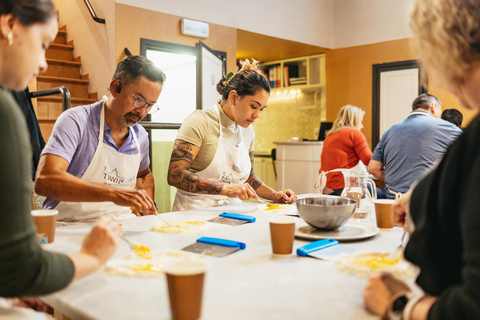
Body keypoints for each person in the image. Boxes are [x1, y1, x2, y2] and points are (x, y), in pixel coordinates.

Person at [0, 0, 118, 318]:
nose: (42, 64)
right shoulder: (6, 111)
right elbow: (22, 268)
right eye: (42, 45)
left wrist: (9, 292)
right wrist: (91, 257)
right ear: (9, 26)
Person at [363, 0, 480, 319]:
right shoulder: (460, 131)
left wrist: (402, 305)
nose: (442, 79)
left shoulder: (390, 129)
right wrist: (421, 196)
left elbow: (472, 306)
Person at [35, 55, 165, 221]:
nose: (142, 112)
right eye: (138, 99)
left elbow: (143, 175)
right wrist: (113, 193)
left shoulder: (140, 137)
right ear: (114, 87)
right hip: (70, 227)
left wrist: (144, 206)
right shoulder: (76, 122)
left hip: (122, 224)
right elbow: (45, 181)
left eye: (150, 105)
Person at [167, 59, 297, 211]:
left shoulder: (247, 130)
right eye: (254, 106)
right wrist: (226, 190)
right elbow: (175, 174)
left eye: (261, 109)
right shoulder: (199, 122)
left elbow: (248, 176)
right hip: (193, 214)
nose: (257, 115)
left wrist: (274, 195)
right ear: (234, 97)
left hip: (233, 212)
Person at [368, 93, 462, 199]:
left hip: (393, 203)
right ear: (433, 107)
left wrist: (395, 179)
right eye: (440, 114)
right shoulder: (448, 128)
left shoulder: (390, 131)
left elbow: (373, 168)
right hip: (426, 204)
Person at [317, 104, 375, 196]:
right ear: (354, 120)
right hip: (347, 188)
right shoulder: (354, 134)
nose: (362, 126)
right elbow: (369, 161)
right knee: (383, 195)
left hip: (328, 189)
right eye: (361, 122)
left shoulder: (329, 136)